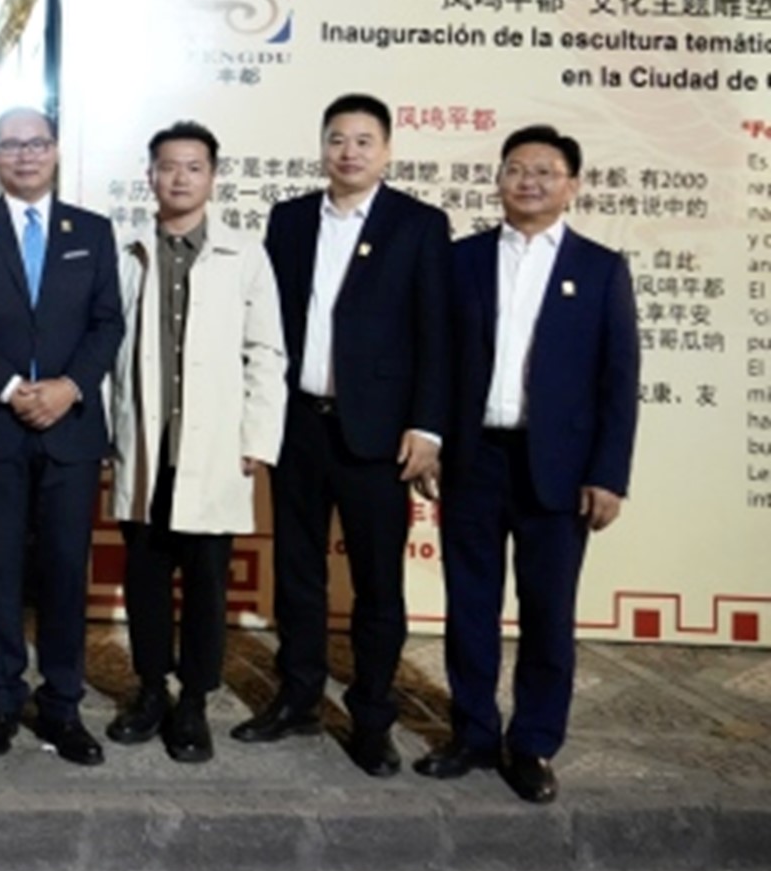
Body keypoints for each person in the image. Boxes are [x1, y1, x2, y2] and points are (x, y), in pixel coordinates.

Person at [416, 125, 638, 804]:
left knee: (547, 611)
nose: (529, 181)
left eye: (545, 171)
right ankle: (473, 732)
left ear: (572, 185)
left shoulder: (600, 268)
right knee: (470, 604)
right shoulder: (462, 259)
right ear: (499, 180)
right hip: (474, 457)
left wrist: (608, 473)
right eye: (516, 168)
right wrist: (430, 437)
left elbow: (618, 379)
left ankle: (535, 742)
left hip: (559, 469)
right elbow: (436, 358)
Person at [238, 93, 450, 777]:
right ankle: (297, 697)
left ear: (386, 151)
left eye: (363, 140)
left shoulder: (418, 225)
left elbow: (436, 335)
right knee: (297, 573)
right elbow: (266, 324)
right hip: (299, 424)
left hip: (378, 436)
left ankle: (371, 716)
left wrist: (426, 427)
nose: (349, 152)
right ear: (322, 146)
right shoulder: (291, 218)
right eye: (337, 139)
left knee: (377, 585)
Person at [0, 107, 125, 765]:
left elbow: (107, 322)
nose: (25, 155)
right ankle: (2, 701)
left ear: (55, 150)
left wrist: (70, 386)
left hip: (71, 427)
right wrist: (12, 387)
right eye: (11, 145)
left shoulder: (91, 231)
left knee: (66, 570)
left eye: (36, 143)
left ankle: (63, 704)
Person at [106, 121, 287, 763]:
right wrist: (107, 433)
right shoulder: (127, 252)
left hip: (213, 453)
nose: (179, 178)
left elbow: (266, 352)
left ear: (213, 176)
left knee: (208, 585)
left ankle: (194, 703)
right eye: (167, 166)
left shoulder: (245, 256)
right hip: (147, 446)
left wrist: (258, 437)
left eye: (193, 166)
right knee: (146, 579)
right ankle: (151, 690)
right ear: (149, 175)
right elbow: (106, 351)